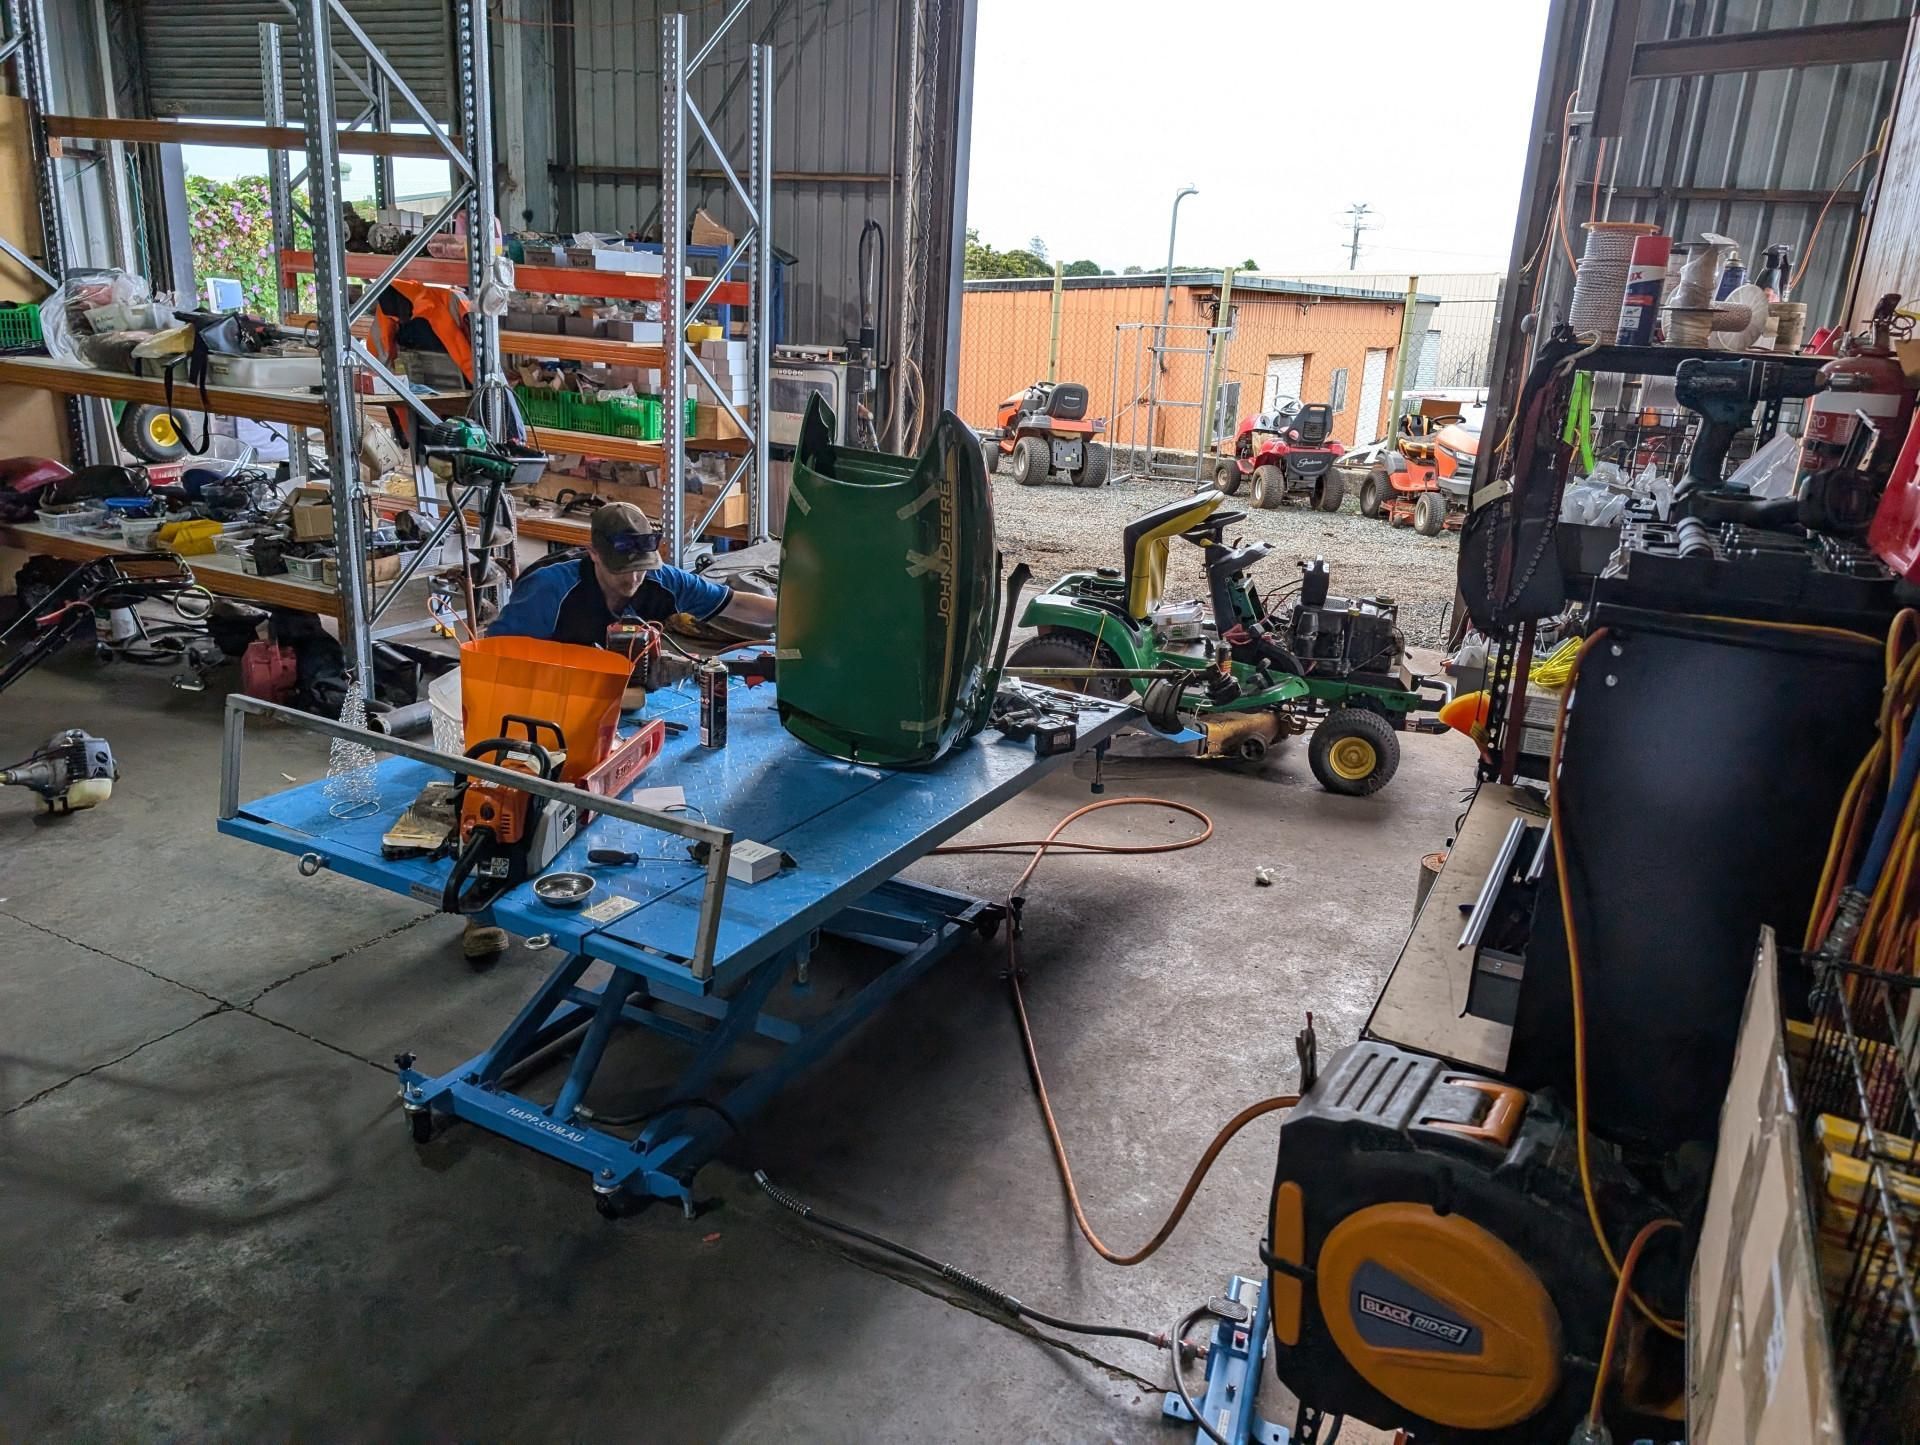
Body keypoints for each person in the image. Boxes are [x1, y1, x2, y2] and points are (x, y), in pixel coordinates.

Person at [457, 501, 775, 963]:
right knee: (506, 801)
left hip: (606, 712)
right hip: (533, 706)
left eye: (641, 570)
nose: (633, 581)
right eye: (621, 571)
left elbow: (733, 604)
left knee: (610, 803)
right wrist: (588, 689)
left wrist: (804, 614)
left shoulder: (661, 580)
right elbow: (499, 663)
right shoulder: (550, 590)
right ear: (593, 554)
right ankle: (481, 911)